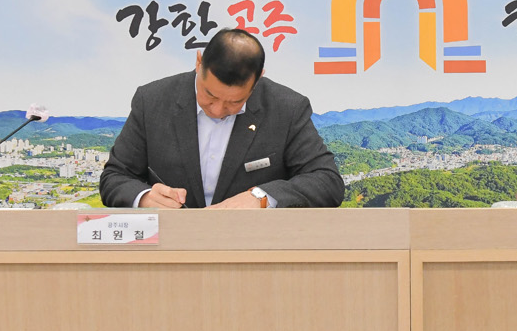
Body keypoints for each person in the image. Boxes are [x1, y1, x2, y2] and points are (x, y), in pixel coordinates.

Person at [100, 28, 344, 209]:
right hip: (170, 246)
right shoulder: (152, 100)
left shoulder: (286, 108)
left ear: (258, 79)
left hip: (254, 248)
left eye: (234, 102)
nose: (217, 110)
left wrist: (261, 198)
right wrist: (145, 198)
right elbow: (115, 177)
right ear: (199, 62)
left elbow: (327, 181)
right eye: (209, 95)